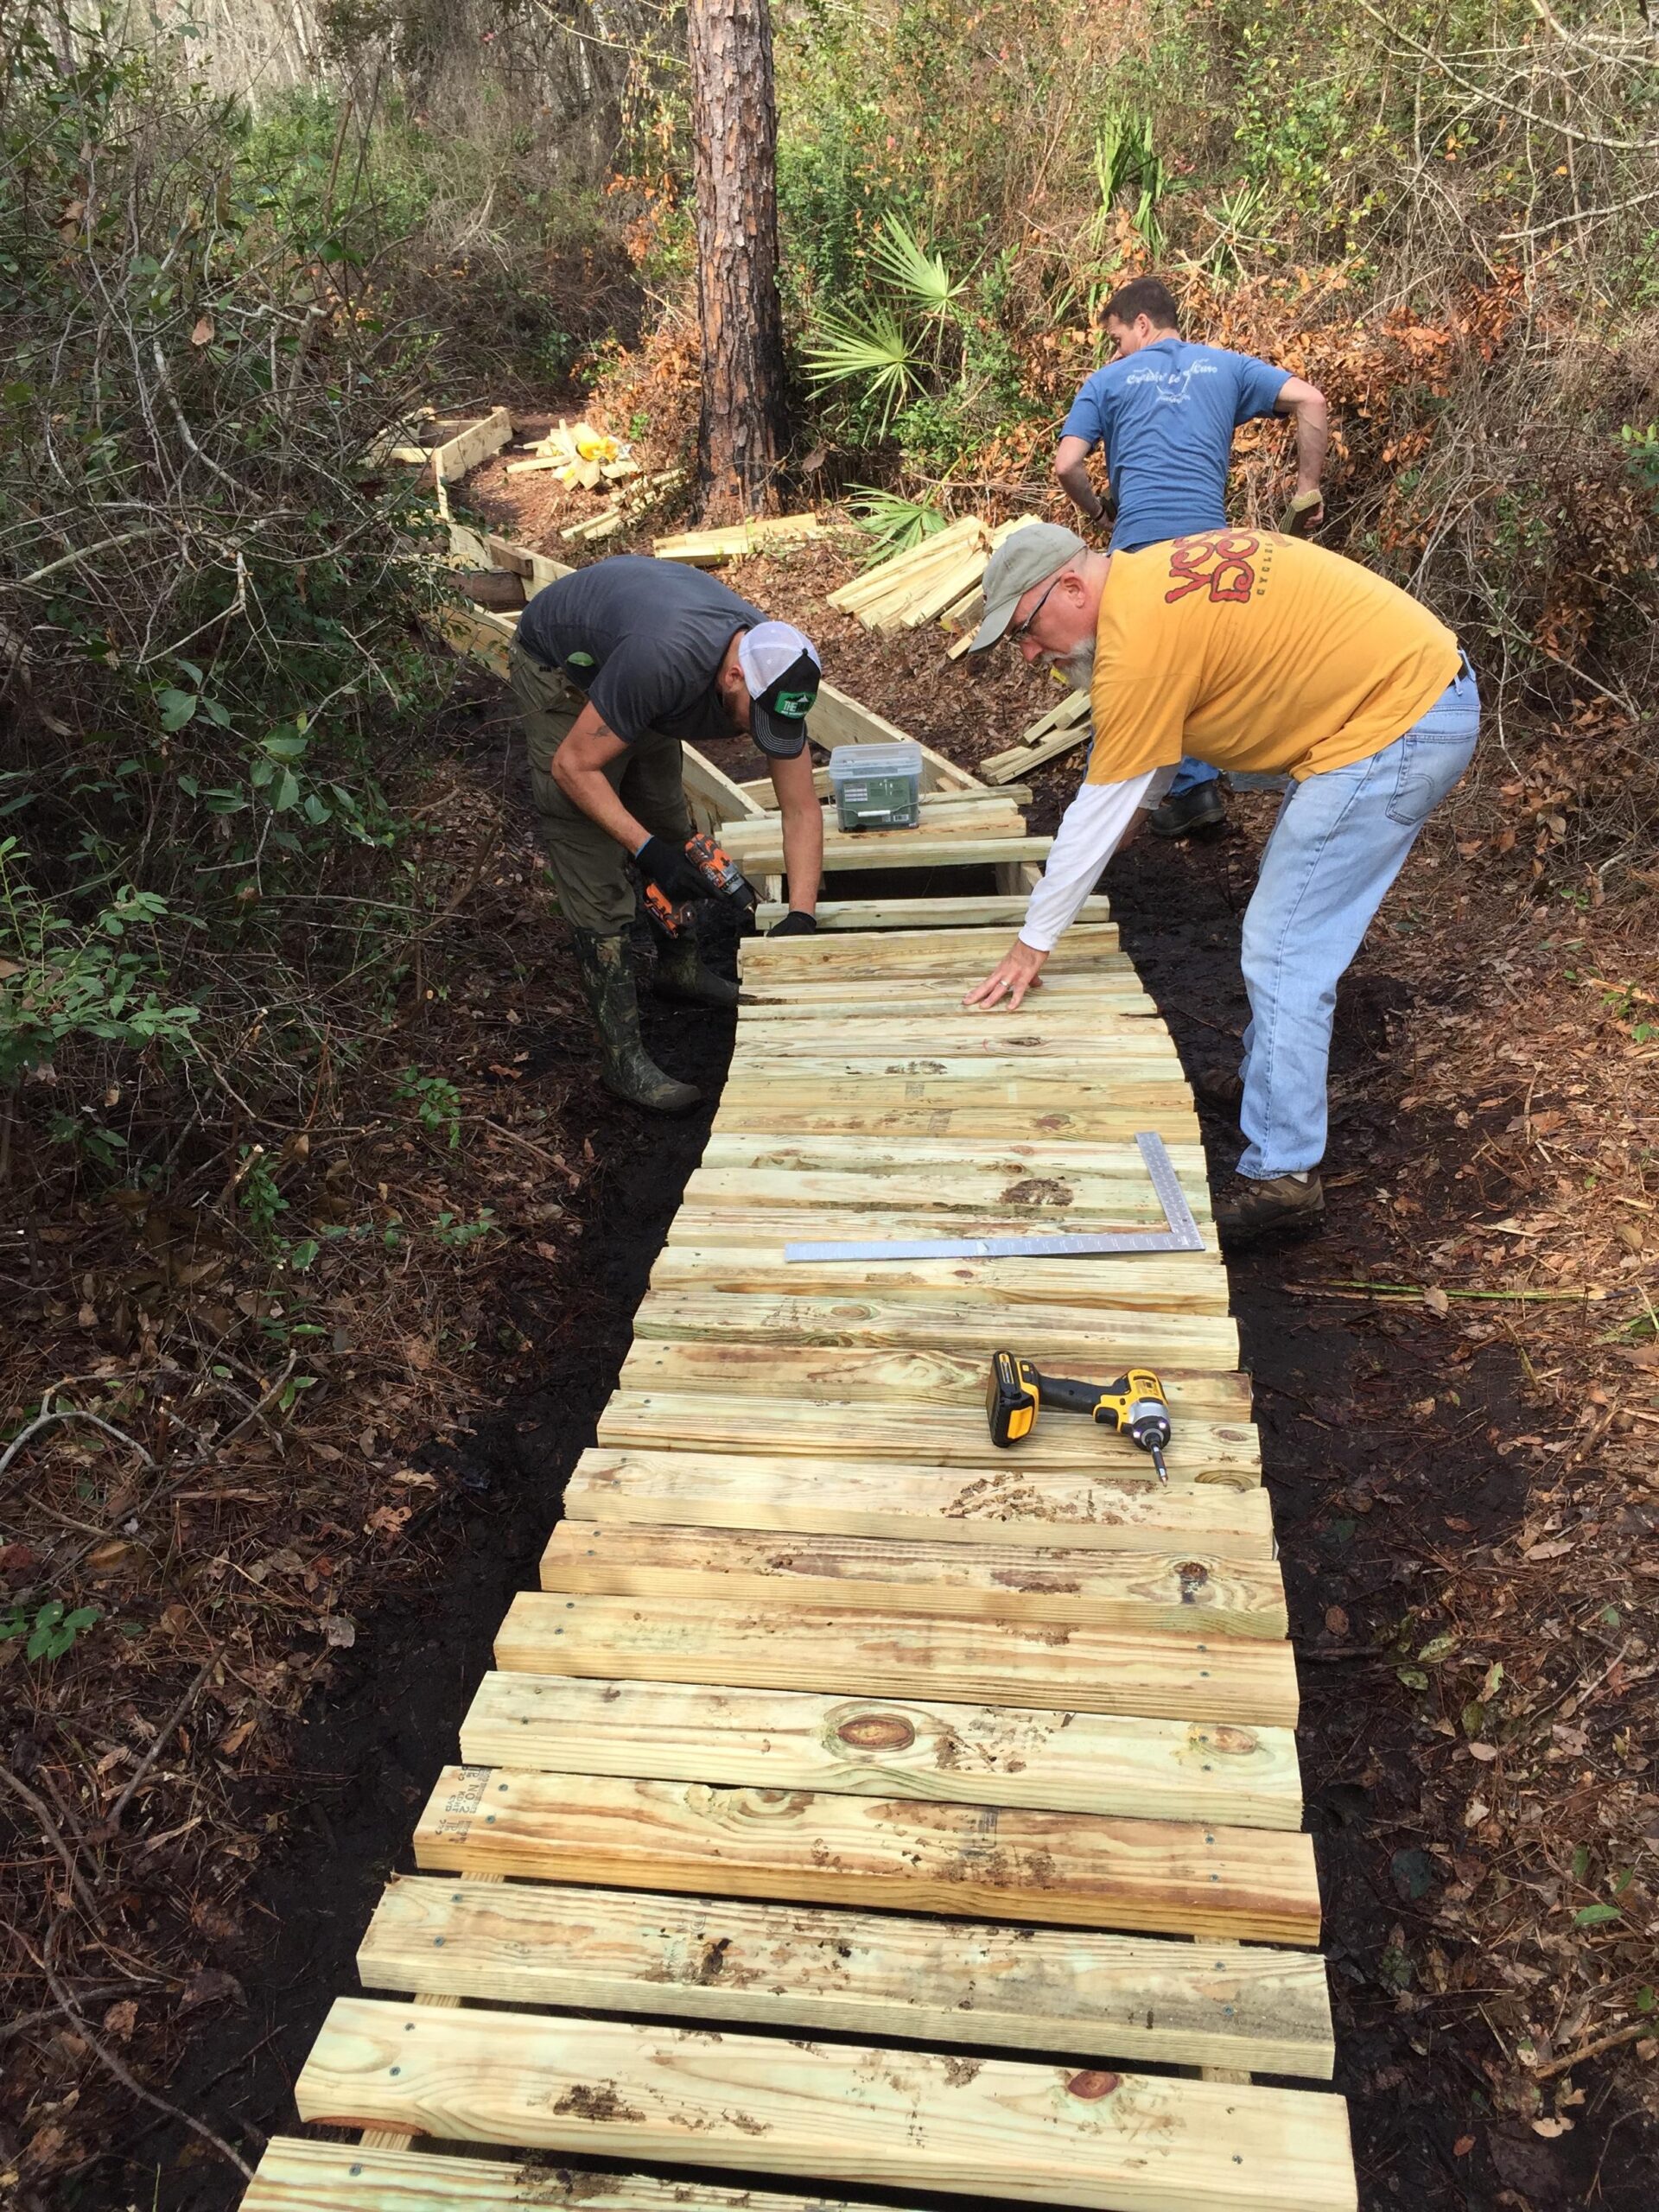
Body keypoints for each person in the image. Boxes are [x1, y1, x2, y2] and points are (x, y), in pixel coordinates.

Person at [963, 522, 1478, 1245]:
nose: (1029, 652)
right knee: (1283, 916)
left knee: (1284, 945)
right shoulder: (1147, 591)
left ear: (1072, 588)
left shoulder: (1139, 642)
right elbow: (1146, 768)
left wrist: (1031, 944)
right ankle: (1270, 1088)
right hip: (1398, 705)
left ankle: (1285, 1176)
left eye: (1026, 628)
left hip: (1398, 722)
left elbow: (1099, 808)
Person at [510, 555, 825, 1113]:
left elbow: (800, 808)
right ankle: (623, 1061)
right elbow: (572, 767)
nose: (763, 735)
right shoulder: (664, 662)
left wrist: (801, 913)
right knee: (595, 858)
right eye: (756, 720)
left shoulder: (778, 670)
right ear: (733, 677)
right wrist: (646, 851)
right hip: (564, 672)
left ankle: (679, 969)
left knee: (669, 819)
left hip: (642, 675)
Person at [1053, 275, 1329, 839]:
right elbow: (1312, 400)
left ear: (1143, 325)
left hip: (1139, 556)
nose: (1116, 351)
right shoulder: (1226, 367)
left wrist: (1099, 512)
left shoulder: (1106, 382)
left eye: (1117, 337)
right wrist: (1307, 488)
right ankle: (1194, 790)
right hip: (1211, 557)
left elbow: (1067, 466)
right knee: (1201, 669)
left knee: (1128, 674)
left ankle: (1100, 817)